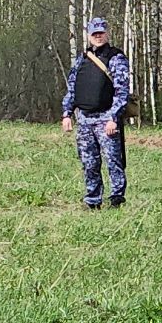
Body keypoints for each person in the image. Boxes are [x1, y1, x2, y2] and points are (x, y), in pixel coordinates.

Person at [60, 16, 131, 209]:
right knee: (89, 162)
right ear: (89, 35)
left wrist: (114, 118)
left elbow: (122, 91)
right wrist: (67, 113)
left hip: (106, 118)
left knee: (113, 161)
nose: (98, 36)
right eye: (95, 33)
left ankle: (117, 199)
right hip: (84, 119)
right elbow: (73, 88)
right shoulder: (82, 59)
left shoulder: (116, 58)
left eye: (101, 32)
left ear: (107, 33)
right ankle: (92, 200)